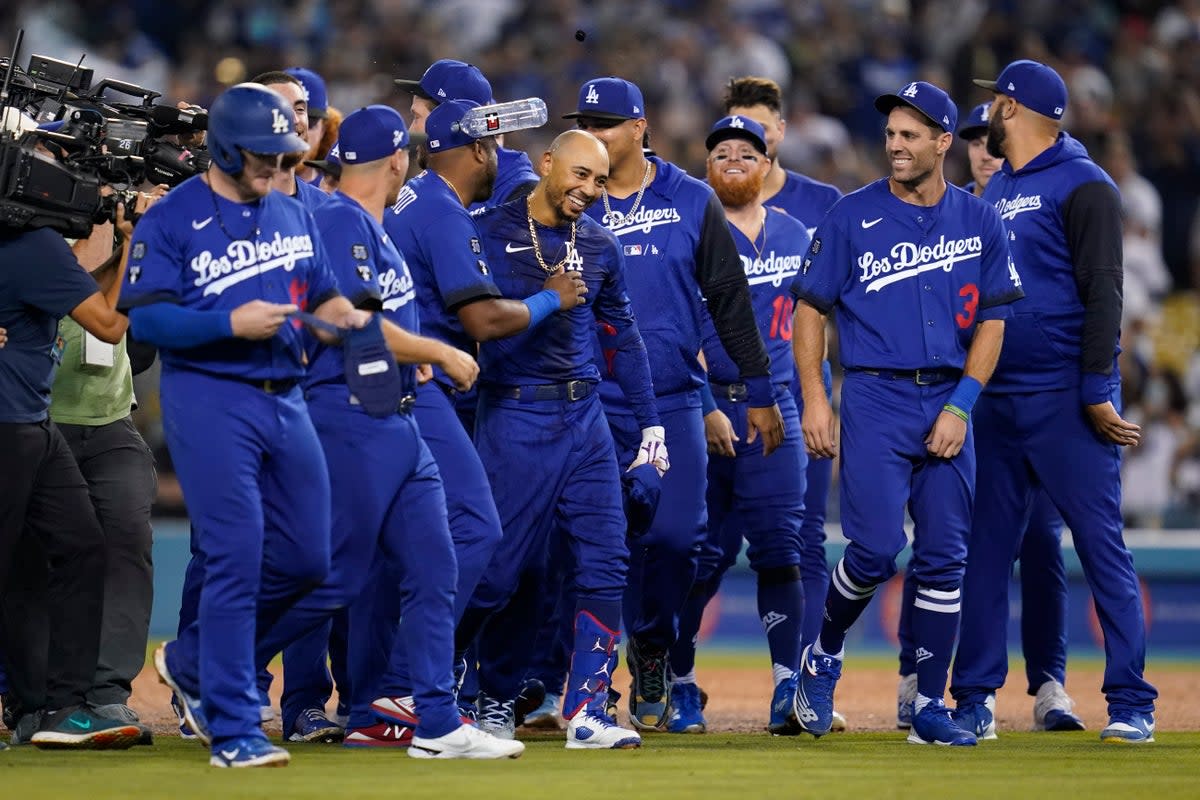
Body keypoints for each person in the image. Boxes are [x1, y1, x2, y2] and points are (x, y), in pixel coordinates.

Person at [123, 83, 371, 768]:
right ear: (226, 147)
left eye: (284, 154)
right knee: (235, 553)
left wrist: (343, 313)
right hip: (209, 394)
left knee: (313, 561)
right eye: (264, 156)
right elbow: (143, 318)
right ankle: (233, 727)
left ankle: (196, 660)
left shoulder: (291, 209)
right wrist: (225, 323)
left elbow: (319, 288)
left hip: (285, 394)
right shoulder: (172, 219)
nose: (276, 167)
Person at [273, 103, 521, 760]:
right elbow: (356, 324)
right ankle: (209, 661)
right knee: (338, 572)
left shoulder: (374, 227)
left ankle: (433, 720)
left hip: (394, 411)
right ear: (396, 160)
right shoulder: (338, 220)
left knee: (436, 559)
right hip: (346, 411)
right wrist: (437, 353)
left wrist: (417, 371)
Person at [790, 80, 1022, 746]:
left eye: (910, 135)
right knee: (874, 551)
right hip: (875, 395)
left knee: (947, 557)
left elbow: (994, 322)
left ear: (944, 142)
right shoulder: (850, 216)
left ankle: (925, 705)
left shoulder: (979, 219)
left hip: (948, 396)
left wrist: (962, 406)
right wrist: (814, 396)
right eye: (891, 133)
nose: (895, 145)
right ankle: (824, 652)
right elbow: (810, 309)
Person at [355, 98, 586, 746]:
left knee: (373, 558)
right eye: (496, 147)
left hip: (389, 378)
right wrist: (551, 297)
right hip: (417, 382)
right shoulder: (440, 211)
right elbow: (482, 321)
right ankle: (406, 687)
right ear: (480, 152)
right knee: (476, 530)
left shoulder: (413, 200)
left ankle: (380, 701)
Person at [950, 60, 1158, 745]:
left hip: (1067, 399)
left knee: (1102, 548)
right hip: (997, 398)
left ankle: (1131, 703)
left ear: (1012, 108)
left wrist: (1097, 390)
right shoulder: (998, 187)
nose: (987, 117)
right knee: (984, 554)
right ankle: (975, 699)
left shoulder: (1086, 184)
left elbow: (1106, 292)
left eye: (995, 105)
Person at [569, 76, 784, 730]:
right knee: (598, 540)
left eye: (608, 124)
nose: (597, 134)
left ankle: (654, 644)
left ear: (639, 129)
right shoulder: (572, 201)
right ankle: (594, 677)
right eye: (588, 123)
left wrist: (758, 389)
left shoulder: (692, 199)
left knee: (677, 536)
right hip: (593, 401)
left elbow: (729, 302)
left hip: (671, 399)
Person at [455, 129, 662, 750]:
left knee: (607, 558)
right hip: (513, 415)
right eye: (578, 175)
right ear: (546, 164)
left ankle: (588, 710)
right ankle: (453, 689)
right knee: (499, 572)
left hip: (586, 418)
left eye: (599, 181)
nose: (588, 191)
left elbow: (623, 335)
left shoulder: (599, 243)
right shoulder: (485, 230)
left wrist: (652, 427)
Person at [895, 103, 1083, 734]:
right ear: (958, 148)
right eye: (973, 140)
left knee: (1038, 542)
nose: (984, 150)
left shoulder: (1023, 208)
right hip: (954, 397)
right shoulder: (938, 215)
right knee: (939, 538)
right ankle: (923, 678)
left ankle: (1049, 682)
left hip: (1025, 396)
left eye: (990, 139)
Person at [664, 115, 811, 736]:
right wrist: (705, 406)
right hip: (706, 404)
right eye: (720, 151)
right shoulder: (691, 234)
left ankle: (787, 687)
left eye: (745, 151)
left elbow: (814, 327)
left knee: (782, 546)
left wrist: (817, 400)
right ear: (707, 169)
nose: (732, 158)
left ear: (766, 165)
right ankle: (678, 683)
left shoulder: (797, 235)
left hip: (777, 407)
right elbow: (678, 329)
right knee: (698, 556)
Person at [2, 198, 162, 747]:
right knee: (27, 565)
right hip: (22, 421)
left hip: (67, 421)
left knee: (98, 545)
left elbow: (84, 294)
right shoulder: (35, 243)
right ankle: (34, 701)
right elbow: (109, 322)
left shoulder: (42, 243)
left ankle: (79, 701)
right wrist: (136, 244)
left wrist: (124, 250)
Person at [719, 74, 848, 732]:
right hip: (721, 398)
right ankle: (674, 670)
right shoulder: (704, 208)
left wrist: (827, 391)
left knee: (800, 541)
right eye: (734, 123)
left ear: (778, 134)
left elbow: (843, 298)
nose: (748, 136)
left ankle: (806, 684)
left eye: (759, 126)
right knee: (703, 544)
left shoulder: (820, 205)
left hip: (801, 397)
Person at [394, 59, 539, 211]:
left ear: (450, 121)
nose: (411, 130)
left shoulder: (522, 196)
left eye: (417, 117)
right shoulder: (438, 182)